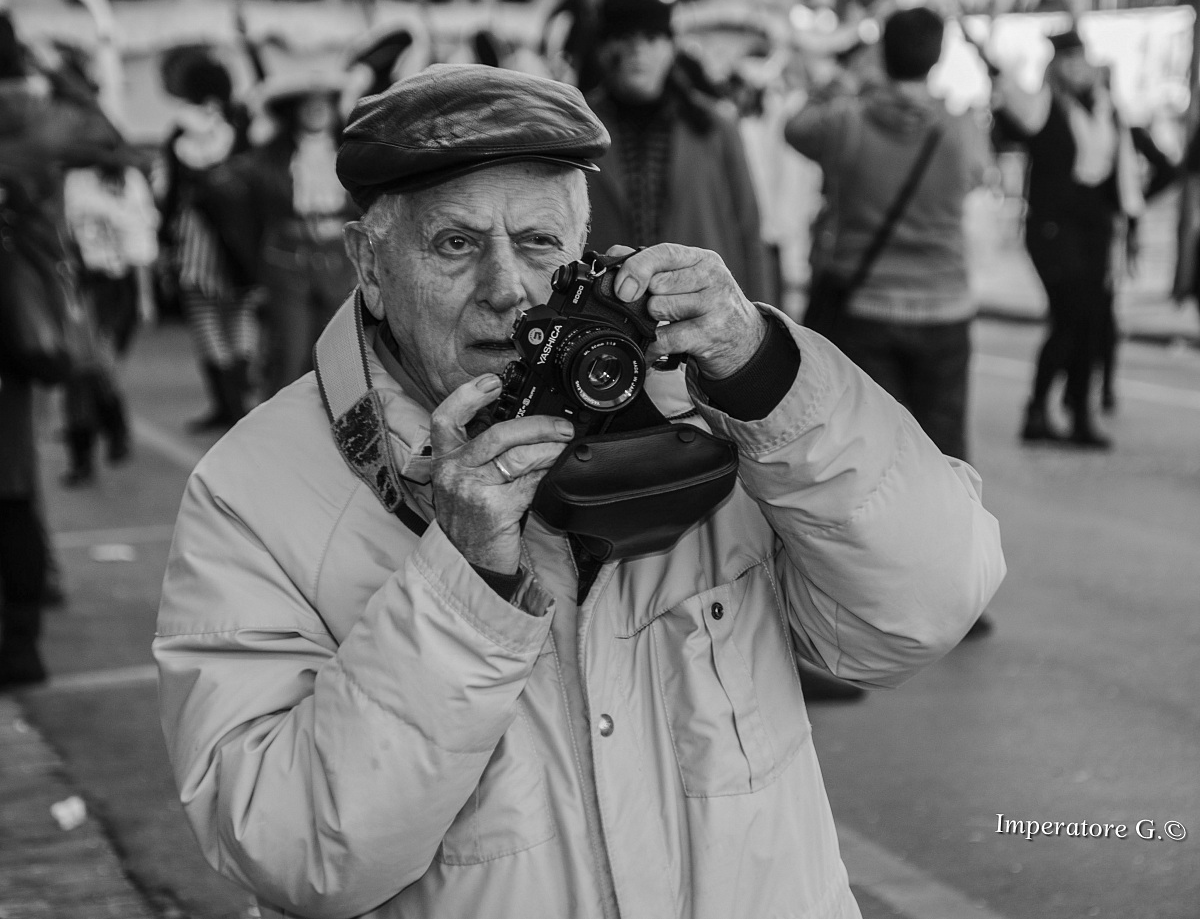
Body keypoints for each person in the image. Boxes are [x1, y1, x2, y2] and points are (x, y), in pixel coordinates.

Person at [155, 63, 1005, 919]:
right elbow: (292, 850)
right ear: (368, 265)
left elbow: (925, 608)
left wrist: (766, 378)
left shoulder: (691, 404)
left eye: (538, 245)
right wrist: (464, 583)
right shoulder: (253, 489)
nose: (506, 288)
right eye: (455, 244)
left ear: (585, 249)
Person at [785, 7, 989, 466]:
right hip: (945, 305)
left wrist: (844, 78)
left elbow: (794, 128)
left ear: (882, 53)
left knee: (871, 451)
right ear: (937, 58)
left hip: (865, 308)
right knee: (944, 452)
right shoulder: (960, 129)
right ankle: (950, 534)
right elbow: (979, 176)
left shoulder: (846, 122)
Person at [0, 10, 122, 687]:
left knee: (13, 491)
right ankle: (25, 627)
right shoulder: (38, 118)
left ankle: (22, 630)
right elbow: (107, 135)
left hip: (15, 316)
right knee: (13, 485)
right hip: (20, 329)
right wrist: (62, 74)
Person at [990, 28, 1160, 449]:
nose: (1076, 68)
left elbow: (1122, 176)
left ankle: (1076, 410)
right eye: (1067, 60)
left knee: (1087, 321)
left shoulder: (1107, 110)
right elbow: (1009, 102)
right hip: (1053, 228)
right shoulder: (1043, 105)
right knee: (1070, 317)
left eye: (1080, 58)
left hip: (1094, 228)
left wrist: (1131, 218)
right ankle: (1040, 409)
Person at [583, 0, 776, 305]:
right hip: (605, 310)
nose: (637, 52)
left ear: (671, 47)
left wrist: (761, 324)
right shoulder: (579, 126)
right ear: (603, 48)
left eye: (651, 39)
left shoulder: (712, 126)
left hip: (700, 308)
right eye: (625, 39)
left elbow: (748, 230)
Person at [207, 72, 357, 399]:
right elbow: (221, 184)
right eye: (308, 105)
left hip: (340, 260)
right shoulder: (269, 156)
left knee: (340, 357)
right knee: (289, 356)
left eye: (323, 104)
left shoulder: (353, 152)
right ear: (294, 111)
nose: (316, 111)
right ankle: (278, 435)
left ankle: (335, 434)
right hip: (287, 261)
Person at [157, 49, 255, 432]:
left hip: (197, 236)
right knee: (240, 314)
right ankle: (241, 397)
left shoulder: (181, 130)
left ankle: (225, 402)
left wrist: (164, 239)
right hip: (241, 237)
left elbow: (170, 192)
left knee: (205, 316)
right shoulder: (240, 124)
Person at [59, 159, 159, 486]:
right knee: (78, 369)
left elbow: (140, 239)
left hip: (118, 285)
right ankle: (84, 453)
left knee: (103, 363)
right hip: (78, 283)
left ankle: (114, 428)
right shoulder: (68, 177)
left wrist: (145, 297)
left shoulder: (127, 178)